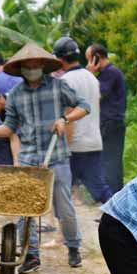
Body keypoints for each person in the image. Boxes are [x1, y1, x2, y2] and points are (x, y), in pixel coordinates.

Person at [0, 42, 89, 271]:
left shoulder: (59, 87)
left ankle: (73, 247)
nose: (31, 69)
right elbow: (9, 128)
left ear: (43, 66)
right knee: (25, 209)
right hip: (29, 157)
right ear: (20, 69)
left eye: (35, 65)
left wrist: (64, 119)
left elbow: (84, 106)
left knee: (64, 206)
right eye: (27, 66)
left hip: (55, 155)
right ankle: (31, 255)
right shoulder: (16, 95)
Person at [54, 36, 113, 205]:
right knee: (99, 187)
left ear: (60, 59)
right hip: (94, 140)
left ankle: (64, 226)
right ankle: (118, 215)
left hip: (75, 145)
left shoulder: (66, 81)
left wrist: (65, 146)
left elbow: (69, 116)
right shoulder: (92, 78)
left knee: (61, 186)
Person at [86, 42, 127, 193]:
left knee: (110, 165)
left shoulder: (111, 73)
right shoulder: (105, 74)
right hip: (109, 124)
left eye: (89, 59)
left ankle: (112, 207)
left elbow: (97, 95)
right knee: (110, 164)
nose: (88, 64)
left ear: (97, 58)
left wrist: (89, 75)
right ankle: (113, 205)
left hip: (111, 124)